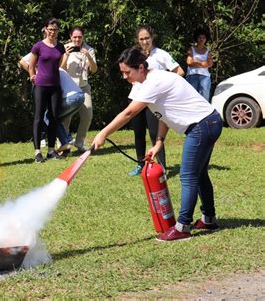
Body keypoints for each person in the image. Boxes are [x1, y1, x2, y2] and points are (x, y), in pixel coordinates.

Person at [93, 47, 222, 241]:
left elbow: (128, 113)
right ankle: (208, 219)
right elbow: (164, 113)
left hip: (201, 126)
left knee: (187, 176)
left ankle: (182, 226)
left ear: (140, 68)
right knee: (199, 173)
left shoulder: (154, 82)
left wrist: (103, 133)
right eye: (122, 72)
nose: (124, 76)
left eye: (127, 72)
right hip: (210, 122)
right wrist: (159, 142)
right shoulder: (152, 80)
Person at [127, 25, 184, 176]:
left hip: (154, 101)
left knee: (155, 133)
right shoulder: (134, 55)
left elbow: (180, 71)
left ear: (152, 38)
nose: (144, 41)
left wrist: (165, 87)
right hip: (136, 98)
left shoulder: (162, 54)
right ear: (137, 40)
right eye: (141, 39)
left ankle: (161, 168)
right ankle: (140, 165)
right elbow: (128, 73)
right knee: (138, 133)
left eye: (147, 38)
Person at [19, 53, 84, 152]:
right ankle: (67, 143)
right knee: (56, 119)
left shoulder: (47, 74)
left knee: (48, 117)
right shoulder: (55, 69)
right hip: (80, 97)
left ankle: (65, 141)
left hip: (71, 98)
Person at [29, 18, 68, 163]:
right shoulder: (38, 46)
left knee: (54, 117)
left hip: (55, 86)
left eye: (55, 30)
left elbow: (59, 65)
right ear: (45, 29)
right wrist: (32, 76)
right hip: (41, 86)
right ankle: (37, 152)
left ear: (58, 31)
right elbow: (31, 65)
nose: (52, 32)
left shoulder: (60, 47)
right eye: (50, 29)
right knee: (38, 117)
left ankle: (51, 150)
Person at [63, 26, 97, 153]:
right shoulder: (65, 48)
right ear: (70, 37)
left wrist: (88, 57)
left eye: (80, 37)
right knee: (66, 117)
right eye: (75, 37)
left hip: (84, 86)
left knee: (88, 115)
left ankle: (79, 142)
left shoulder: (89, 49)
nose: (77, 40)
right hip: (69, 87)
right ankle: (64, 144)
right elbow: (60, 68)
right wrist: (66, 55)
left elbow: (93, 70)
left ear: (83, 37)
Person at [186, 28, 213, 102]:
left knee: (205, 97)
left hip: (205, 76)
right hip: (192, 75)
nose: (201, 39)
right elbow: (189, 62)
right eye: (200, 37)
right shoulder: (191, 49)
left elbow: (210, 64)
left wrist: (196, 62)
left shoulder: (208, 51)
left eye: (203, 37)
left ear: (206, 39)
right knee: (191, 96)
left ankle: (204, 113)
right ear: (197, 38)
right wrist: (204, 63)